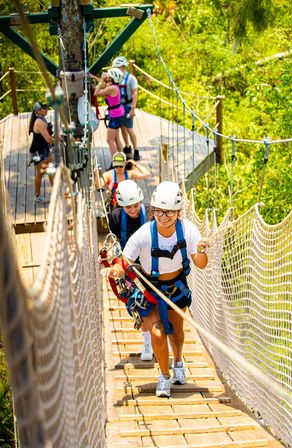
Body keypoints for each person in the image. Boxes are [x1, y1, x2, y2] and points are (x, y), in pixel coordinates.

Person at [102, 181, 208, 397]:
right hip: (149, 289)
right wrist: (115, 270)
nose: (163, 216)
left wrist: (201, 251)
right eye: (159, 211)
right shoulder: (143, 234)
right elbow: (124, 262)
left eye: (169, 212)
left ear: (178, 211)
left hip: (176, 287)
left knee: (176, 331)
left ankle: (178, 362)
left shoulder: (188, 230)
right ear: (154, 210)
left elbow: (200, 263)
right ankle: (164, 375)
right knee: (158, 333)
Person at [109, 179, 153, 360]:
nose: (133, 210)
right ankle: (148, 341)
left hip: (152, 264)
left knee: (158, 303)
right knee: (139, 305)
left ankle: (159, 335)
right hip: (130, 268)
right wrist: (112, 257)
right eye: (128, 208)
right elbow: (115, 240)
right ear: (122, 206)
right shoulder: (115, 218)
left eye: (135, 206)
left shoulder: (151, 213)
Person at [92, 68, 125, 156]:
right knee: (116, 138)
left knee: (109, 140)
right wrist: (93, 77)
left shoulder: (112, 88)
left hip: (115, 116)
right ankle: (122, 160)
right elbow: (102, 84)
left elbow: (96, 93)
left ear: (112, 77)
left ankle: (116, 163)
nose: (107, 76)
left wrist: (102, 79)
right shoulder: (114, 86)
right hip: (118, 114)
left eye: (109, 75)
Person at [112, 56, 139, 161]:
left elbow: (135, 93)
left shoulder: (131, 79)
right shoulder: (116, 77)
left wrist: (133, 108)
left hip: (128, 106)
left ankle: (136, 149)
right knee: (122, 127)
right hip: (119, 106)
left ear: (122, 67)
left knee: (129, 128)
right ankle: (127, 146)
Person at [29, 102, 55, 203]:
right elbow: (48, 139)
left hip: (45, 149)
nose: (46, 109)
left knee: (51, 170)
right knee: (39, 174)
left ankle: (56, 192)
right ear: (38, 111)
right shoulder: (39, 122)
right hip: (39, 152)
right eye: (44, 108)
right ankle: (37, 196)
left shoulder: (42, 119)